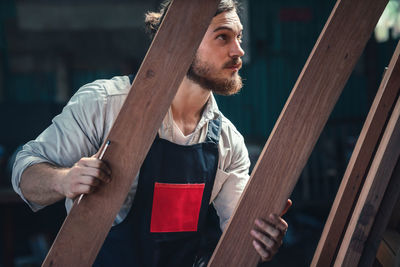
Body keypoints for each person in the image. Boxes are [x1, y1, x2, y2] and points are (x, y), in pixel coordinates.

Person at [12, 0, 290, 266]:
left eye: (239, 37)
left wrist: (261, 241)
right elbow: (24, 172)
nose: (238, 50)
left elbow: (240, 235)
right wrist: (64, 180)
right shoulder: (106, 103)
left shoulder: (228, 143)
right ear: (180, 42)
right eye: (223, 37)